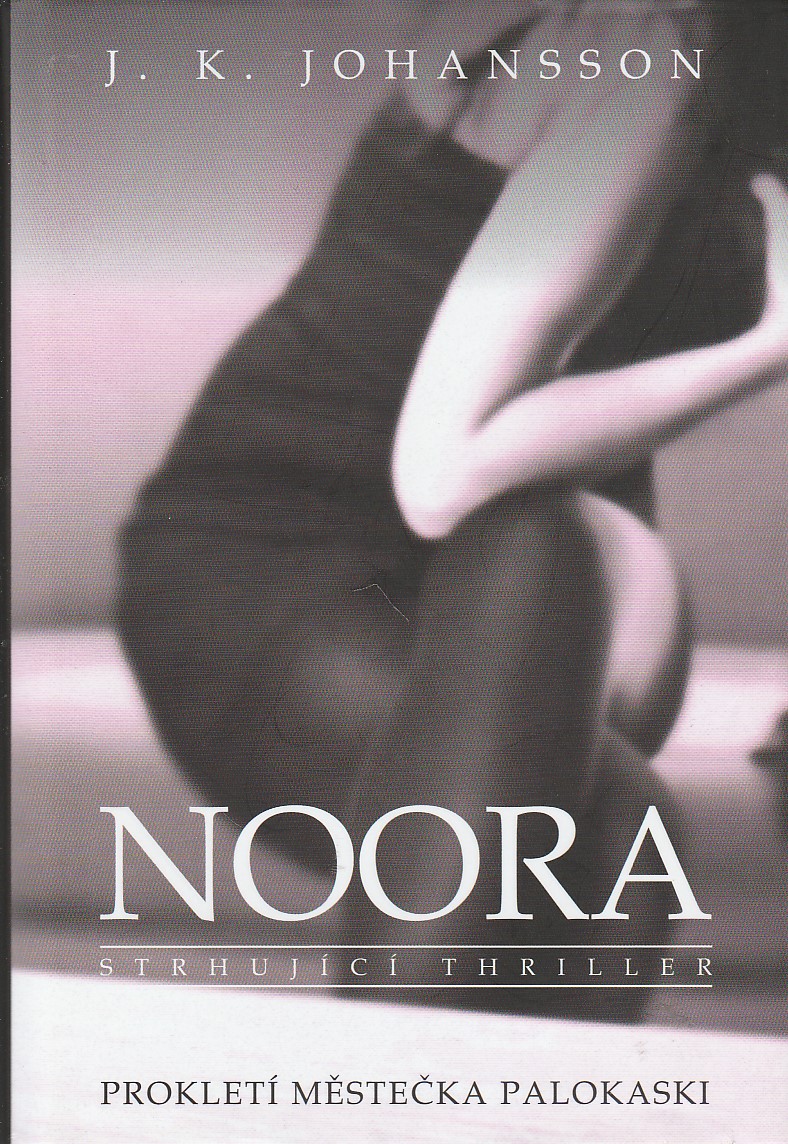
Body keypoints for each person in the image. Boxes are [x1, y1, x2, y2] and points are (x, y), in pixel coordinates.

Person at [117, 2, 788, 1019]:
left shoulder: (713, 79)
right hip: (266, 572)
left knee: (626, 843)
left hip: (483, 591)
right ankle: (388, 1092)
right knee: (601, 811)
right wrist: (767, 350)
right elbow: (446, 469)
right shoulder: (651, 58)